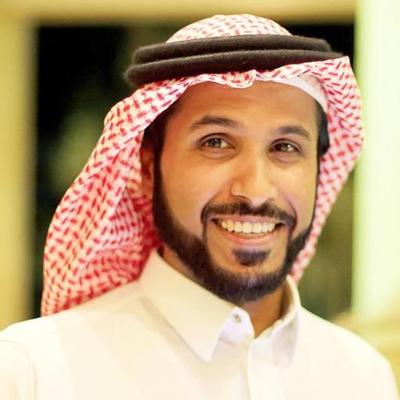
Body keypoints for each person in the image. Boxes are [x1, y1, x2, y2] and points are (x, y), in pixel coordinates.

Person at [0, 14, 398, 400]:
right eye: (216, 143)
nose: (255, 191)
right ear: (147, 167)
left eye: (286, 147)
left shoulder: (361, 376)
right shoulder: (35, 370)